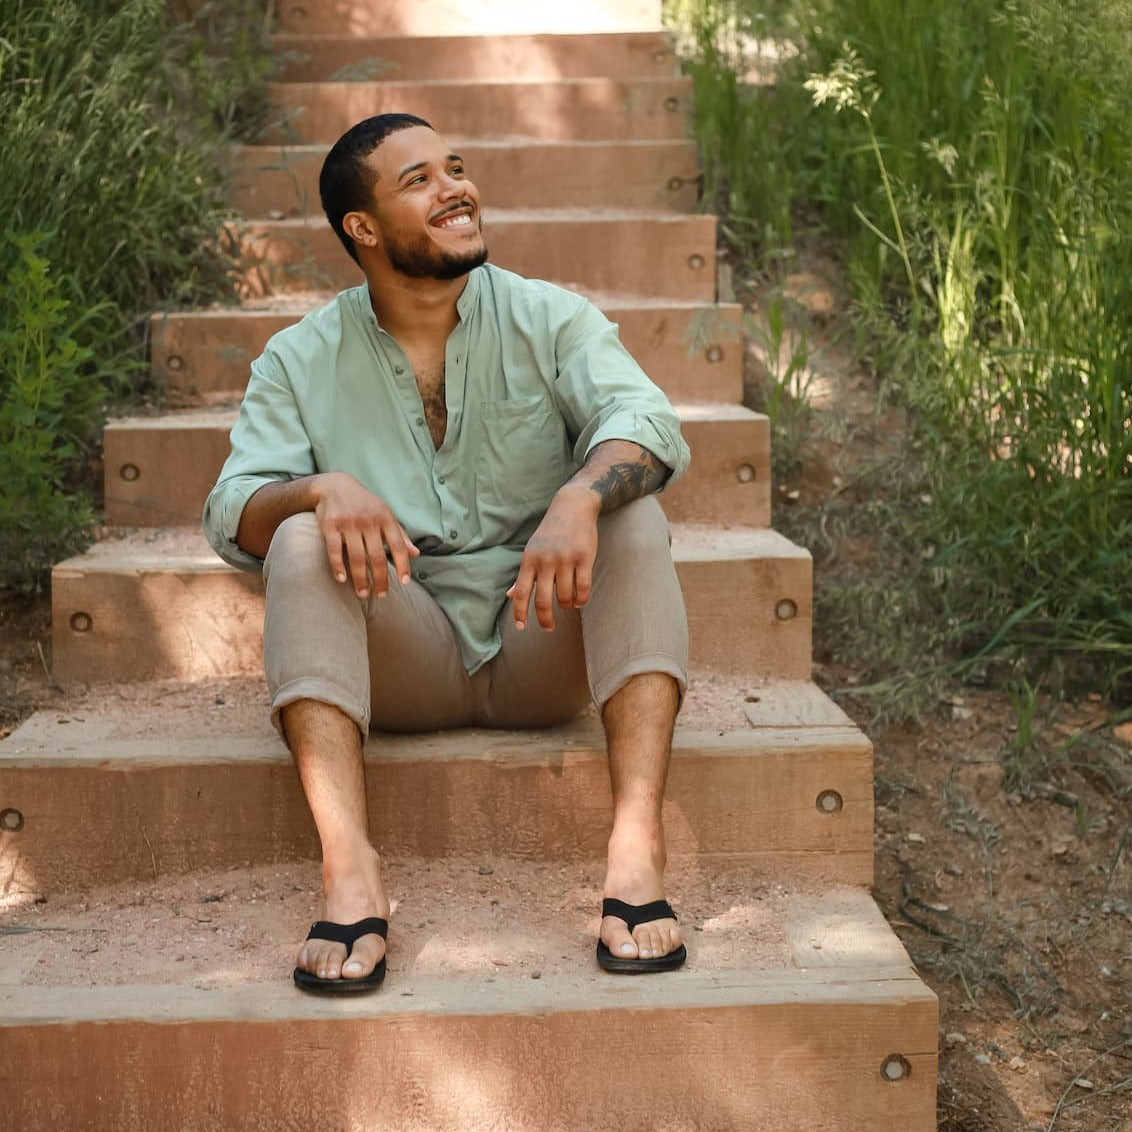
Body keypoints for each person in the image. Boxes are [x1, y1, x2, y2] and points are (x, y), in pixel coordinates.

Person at [203, 113, 692, 993]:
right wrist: (319, 489)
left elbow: (648, 426)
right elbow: (233, 509)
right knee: (301, 534)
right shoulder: (297, 359)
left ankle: (634, 851)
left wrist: (580, 494)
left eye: (456, 169)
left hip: (542, 633)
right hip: (404, 654)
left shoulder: (552, 317)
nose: (456, 189)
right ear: (363, 227)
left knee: (634, 511)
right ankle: (350, 871)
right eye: (419, 180)